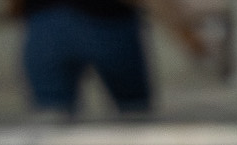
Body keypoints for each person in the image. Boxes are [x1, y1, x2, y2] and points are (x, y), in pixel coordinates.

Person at [14, 0, 206, 118]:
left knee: (51, 119)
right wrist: (184, 32)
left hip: (45, 23)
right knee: (135, 115)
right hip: (108, 21)